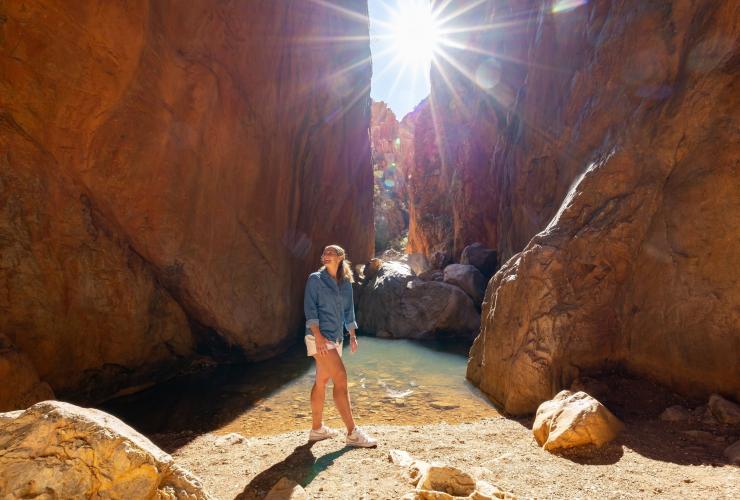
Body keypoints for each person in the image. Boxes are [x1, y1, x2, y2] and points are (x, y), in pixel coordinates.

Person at [303, 244, 377, 447]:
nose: (326, 255)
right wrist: (318, 336)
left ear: (340, 257)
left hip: (336, 338)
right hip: (319, 338)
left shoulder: (345, 283)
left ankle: (317, 429)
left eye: (331, 253)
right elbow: (310, 310)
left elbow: (348, 310)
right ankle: (352, 433)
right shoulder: (315, 280)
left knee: (321, 381)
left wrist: (352, 334)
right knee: (341, 378)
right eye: (324, 252)